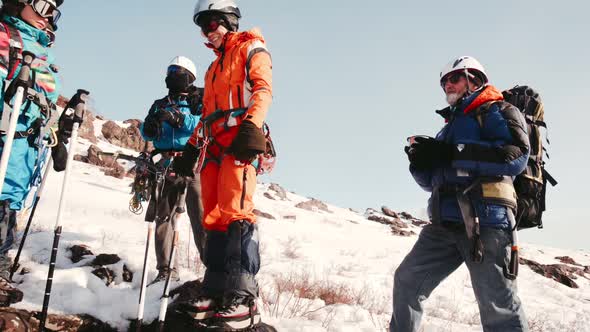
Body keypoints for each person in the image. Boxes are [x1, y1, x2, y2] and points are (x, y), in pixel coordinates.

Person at [391, 56, 530, 332]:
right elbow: (433, 182)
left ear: (474, 78)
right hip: (443, 225)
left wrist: (452, 153)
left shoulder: (497, 110)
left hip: (485, 223)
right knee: (407, 280)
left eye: (453, 78)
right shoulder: (449, 127)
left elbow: (515, 156)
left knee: (497, 306)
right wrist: (420, 163)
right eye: (444, 82)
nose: (447, 85)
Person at [173, 0, 272, 329]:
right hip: (212, 146)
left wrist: (251, 127)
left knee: (236, 212)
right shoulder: (213, 68)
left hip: (239, 142)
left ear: (230, 21)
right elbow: (206, 115)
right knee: (213, 216)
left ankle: (242, 295)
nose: (208, 31)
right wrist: (190, 150)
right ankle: (215, 290)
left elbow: (263, 90)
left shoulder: (251, 48)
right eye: (203, 26)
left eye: (213, 23)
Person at [0, 0, 84, 277]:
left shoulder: (40, 52)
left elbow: (41, 103)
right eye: (41, 6)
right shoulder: (5, 36)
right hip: (6, 140)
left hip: (23, 150)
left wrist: (56, 135)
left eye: (53, 12)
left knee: (9, 207)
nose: (47, 17)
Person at [140, 55, 205, 284]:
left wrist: (178, 119)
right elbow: (147, 132)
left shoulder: (200, 99)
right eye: (170, 71)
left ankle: (211, 267)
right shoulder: (160, 103)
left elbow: (201, 123)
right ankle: (166, 269)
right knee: (163, 217)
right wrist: (148, 128)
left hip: (193, 162)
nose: (172, 76)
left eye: (177, 72)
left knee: (201, 217)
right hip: (166, 163)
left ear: (189, 76)